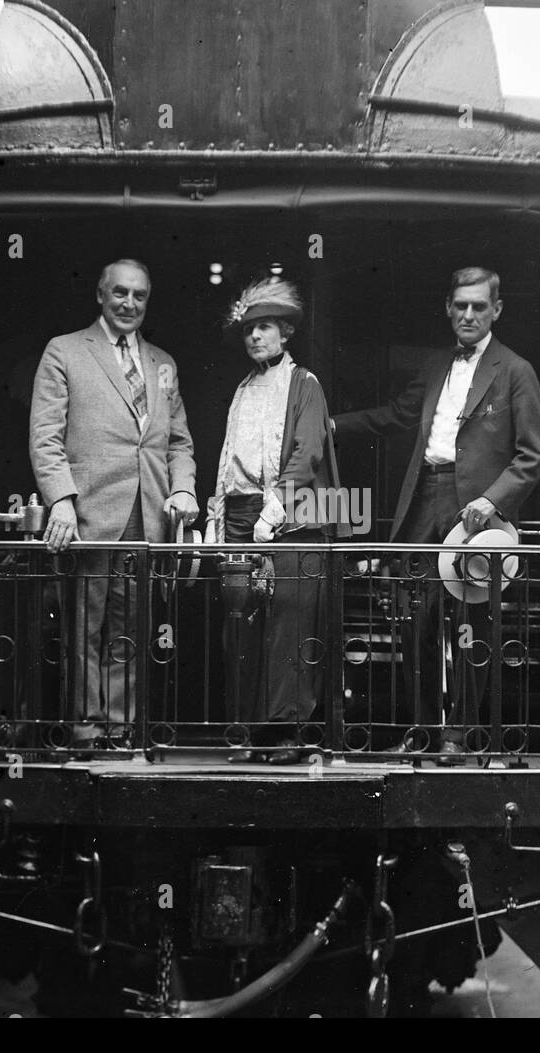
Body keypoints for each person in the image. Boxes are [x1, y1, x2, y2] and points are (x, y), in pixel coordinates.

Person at [334, 266, 540, 761]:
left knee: (470, 621)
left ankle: (460, 732)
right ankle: (424, 728)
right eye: (461, 305)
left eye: (479, 306)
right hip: (424, 498)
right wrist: (330, 422)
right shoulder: (436, 365)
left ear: (496, 310)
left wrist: (492, 502)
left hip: (476, 508)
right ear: (448, 309)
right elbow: (395, 416)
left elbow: (533, 454)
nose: (469, 314)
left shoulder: (515, 370)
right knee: (417, 620)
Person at [30, 259, 198, 745]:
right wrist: (60, 499)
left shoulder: (163, 363)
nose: (129, 304)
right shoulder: (64, 351)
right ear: (101, 295)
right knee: (83, 630)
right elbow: (45, 437)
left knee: (130, 633)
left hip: (147, 517)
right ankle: (85, 730)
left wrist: (183, 487)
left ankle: (121, 731)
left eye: (139, 296)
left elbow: (179, 443)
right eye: (120, 293)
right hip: (87, 515)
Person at [209, 278, 345, 765]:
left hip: (293, 518)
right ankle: (248, 732)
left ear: (285, 332)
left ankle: (288, 734)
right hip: (242, 515)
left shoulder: (303, 383)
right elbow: (228, 462)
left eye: (264, 327)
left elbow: (307, 453)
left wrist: (276, 508)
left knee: (289, 621)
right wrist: (219, 517)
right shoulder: (243, 389)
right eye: (248, 329)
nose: (255, 337)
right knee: (242, 625)